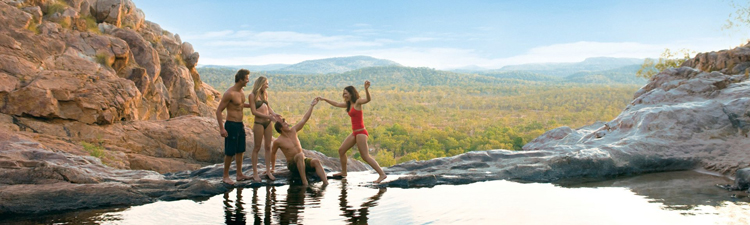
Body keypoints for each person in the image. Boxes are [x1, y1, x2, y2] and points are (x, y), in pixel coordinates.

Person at [319, 80, 387, 183]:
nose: (344, 95)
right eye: (343, 93)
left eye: (346, 93)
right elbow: (336, 104)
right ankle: (344, 172)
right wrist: (324, 99)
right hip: (354, 133)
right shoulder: (348, 104)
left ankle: (382, 174)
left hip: (361, 133)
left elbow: (368, 99)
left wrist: (366, 89)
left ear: (351, 93)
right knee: (341, 150)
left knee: (365, 156)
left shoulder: (358, 102)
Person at [270, 98, 329, 186]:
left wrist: (312, 106)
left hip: (303, 160)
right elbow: (273, 153)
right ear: (281, 128)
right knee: (299, 155)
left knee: (316, 161)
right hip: (293, 164)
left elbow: (304, 119)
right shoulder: (278, 141)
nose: (287, 124)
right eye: (285, 124)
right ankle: (305, 181)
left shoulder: (293, 131)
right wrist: (272, 168)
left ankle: (325, 183)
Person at [215, 69, 252, 185]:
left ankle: (239, 174)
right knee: (230, 152)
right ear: (240, 79)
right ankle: (225, 176)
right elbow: (219, 111)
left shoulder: (241, 92)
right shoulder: (229, 93)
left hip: (240, 124)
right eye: (246, 79)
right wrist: (222, 128)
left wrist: (254, 106)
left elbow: (240, 105)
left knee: (240, 150)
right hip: (231, 124)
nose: (248, 81)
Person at [246, 76, 280, 182]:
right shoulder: (252, 96)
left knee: (268, 147)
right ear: (261, 84)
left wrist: (274, 115)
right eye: (266, 84)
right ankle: (255, 173)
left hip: (268, 123)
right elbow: (254, 112)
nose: (267, 86)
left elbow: (268, 108)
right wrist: (268, 117)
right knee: (256, 147)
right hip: (259, 123)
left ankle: (268, 171)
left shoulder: (265, 94)